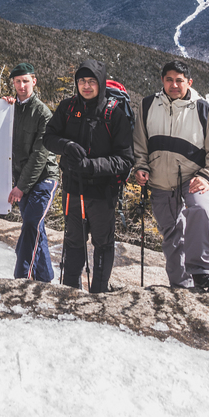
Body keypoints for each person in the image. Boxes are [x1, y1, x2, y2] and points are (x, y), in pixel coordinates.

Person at [134, 59, 209, 291]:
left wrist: (207, 177)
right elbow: (139, 145)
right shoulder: (147, 106)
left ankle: (204, 272)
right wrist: (141, 166)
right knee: (172, 235)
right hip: (160, 181)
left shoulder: (203, 110)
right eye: (169, 80)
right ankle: (181, 287)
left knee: (201, 209)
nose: (174, 85)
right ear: (162, 81)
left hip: (193, 177)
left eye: (179, 80)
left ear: (189, 82)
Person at [44, 59, 134, 293]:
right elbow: (48, 137)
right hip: (73, 188)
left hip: (103, 191)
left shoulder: (114, 114)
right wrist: (66, 145)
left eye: (91, 81)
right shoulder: (68, 108)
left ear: (101, 83)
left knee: (102, 243)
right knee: (74, 240)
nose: (86, 86)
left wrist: (91, 166)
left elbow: (125, 159)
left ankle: (99, 291)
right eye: (82, 81)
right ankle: (70, 290)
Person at [4, 62, 59, 283]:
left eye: (26, 80)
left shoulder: (43, 113)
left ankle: (22, 278)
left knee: (30, 225)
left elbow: (40, 156)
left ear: (34, 81)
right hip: (22, 179)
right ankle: (45, 279)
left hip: (44, 178)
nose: (22, 85)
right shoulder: (10, 108)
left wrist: (20, 187)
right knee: (36, 227)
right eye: (17, 81)